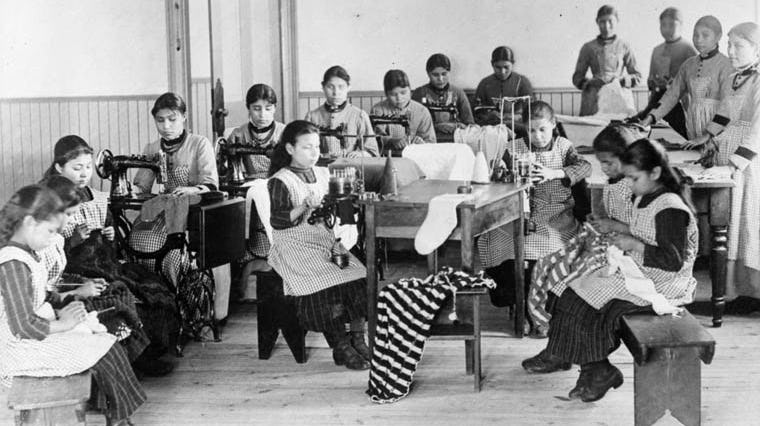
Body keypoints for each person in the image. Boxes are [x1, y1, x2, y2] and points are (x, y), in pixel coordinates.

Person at [523, 139, 698, 403]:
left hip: (662, 284)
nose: (628, 184)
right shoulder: (648, 195)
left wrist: (633, 244)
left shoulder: (670, 207)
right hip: (641, 270)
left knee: (585, 297)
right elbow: (645, 229)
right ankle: (591, 367)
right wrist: (617, 227)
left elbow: (672, 261)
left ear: (655, 173)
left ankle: (597, 370)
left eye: (633, 178)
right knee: (567, 287)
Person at [0, 185, 145, 425]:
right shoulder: (12, 264)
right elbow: (23, 326)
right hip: (18, 349)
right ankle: (119, 418)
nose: (51, 239)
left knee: (105, 341)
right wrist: (64, 323)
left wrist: (67, 306)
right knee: (103, 347)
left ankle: (118, 416)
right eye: (49, 231)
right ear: (29, 222)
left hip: (34, 334)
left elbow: (41, 293)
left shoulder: (27, 254)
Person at [44, 135, 177, 376]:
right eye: (77, 168)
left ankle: (150, 352)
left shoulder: (93, 195)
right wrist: (74, 240)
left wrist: (109, 233)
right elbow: (48, 255)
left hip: (102, 262)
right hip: (73, 269)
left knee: (152, 285)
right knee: (119, 291)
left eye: (87, 167)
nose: (84, 174)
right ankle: (137, 360)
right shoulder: (50, 200)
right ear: (58, 168)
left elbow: (109, 243)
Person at [267, 120, 370, 370]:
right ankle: (341, 346)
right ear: (290, 149)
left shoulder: (324, 174)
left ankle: (358, 338)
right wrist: (304, 206)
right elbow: (278, 221)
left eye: (317, 147)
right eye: (307, 148)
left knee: (358, 274)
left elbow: (340, 212)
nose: (314, 153)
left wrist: (350, 199)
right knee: (325, 282)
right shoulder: (280, 180)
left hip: (323, 242)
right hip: (294, 247)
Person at [478, 101, 591, 317]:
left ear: (553, 124)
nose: (537, 136)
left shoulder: (564, 147)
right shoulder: (513, 148)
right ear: (524, 127)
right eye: (531, 130)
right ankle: (516, 298)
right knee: (493, 239)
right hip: (518, 213)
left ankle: (539, 303)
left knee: (537, 244)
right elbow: (498, 182)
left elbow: (585, 167)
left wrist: (555, 173)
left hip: (555, 215)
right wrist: (502, 174)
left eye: (542, 130)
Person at [528, 125, 636, 336]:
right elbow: (609, 216)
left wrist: (611, 226)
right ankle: (545, 322)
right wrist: (598, 221)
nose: (604, 168)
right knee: (546, 263)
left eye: (608, 163)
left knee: (570, 273)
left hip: (627, 251)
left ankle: (562, 328)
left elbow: (643, 229)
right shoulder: (612, 182)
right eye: (601, 162)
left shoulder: (635, 186)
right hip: (607, 241)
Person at [40, 175, 150, 362]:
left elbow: (57, 279)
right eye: (68, 215)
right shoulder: (41, 245)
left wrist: (84, 283)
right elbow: (43, 294)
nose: (71, 220)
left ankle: (135, 360)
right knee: (113, 303)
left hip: (61, 290)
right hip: (52, 305)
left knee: (116, 290)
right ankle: (127, 360)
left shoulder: (56, 239)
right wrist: (80, 290)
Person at [695, 22, 760, 301]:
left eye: (738, 46)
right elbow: (724, 116)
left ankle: (751, 290)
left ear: (757, 50)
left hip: (747, 165)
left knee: (745, 219)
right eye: (729, 45)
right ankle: (731, 289)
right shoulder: (736, 78)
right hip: (727, 158)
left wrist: (733, 164)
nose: (730, 51)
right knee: (726, 219)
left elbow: (758, 130)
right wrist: (707, 139)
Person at [130, 92, 219, 287]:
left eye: (172, 119)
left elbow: (211, 184)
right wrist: (130, 189)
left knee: (170, 251)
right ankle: (155, 291)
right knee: (137, 239)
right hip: (165, 208)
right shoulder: (152, 148)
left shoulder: (199, 144)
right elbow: (142, 185)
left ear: (184, 118)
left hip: (193, 212)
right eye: (160, 121)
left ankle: (178, 290)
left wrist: (192, 190)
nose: (166, 126)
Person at [638, 16, 733, 141]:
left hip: (718, 130)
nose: (699, 40)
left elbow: (728, 105)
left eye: (705, 35)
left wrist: (709, 134)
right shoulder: (688, 65)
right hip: (692, 126)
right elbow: (671, 95)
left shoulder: (726, 65)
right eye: (695, 35)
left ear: (718, 36)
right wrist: (650, 117)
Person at [572, 5, 642, 116]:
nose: (606, 26)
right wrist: (590, 83)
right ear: (597, 22)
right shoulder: (588, 47)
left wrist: (621, 81)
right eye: (602, 22)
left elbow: (638, 77)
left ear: (617, 21)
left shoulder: (624, 46)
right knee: (595, 130)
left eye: (610, 21)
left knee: (619, 129)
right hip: (594, 100)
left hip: (619, 96)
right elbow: (577, 77)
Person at [642, 7, 697, 138]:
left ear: (681, 25)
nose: (667, 29)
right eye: (663, 25)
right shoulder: (657, 50)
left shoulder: (688, 49)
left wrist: (678, 82)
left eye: (672, 24)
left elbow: (698, 79)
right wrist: (653, 82)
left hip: (681, 103)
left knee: (681, 135)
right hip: (659, 101)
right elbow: (650, 81)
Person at [305, 66, 379, 158]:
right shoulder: (312, 116)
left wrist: (361, 154)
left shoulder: (359, 115)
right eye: (330, 87)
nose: (336, 92)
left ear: (348, 87)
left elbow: (372, 150)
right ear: (323, 87)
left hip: (351, 168)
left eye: (341, 87)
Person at [225, 83, 286, 181]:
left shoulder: (284, 132)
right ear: (248, 108)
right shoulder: (239, 134)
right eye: (256, 109)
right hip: (250, 185)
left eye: (268, 108)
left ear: (275, 108)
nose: (262, 114)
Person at [412, 53, 475, 141]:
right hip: (428, 139)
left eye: (444, 74)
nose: (440, 79)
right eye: (435, 75)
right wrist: (436, 126)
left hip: (455, 139)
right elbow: (414, 125)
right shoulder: (419, 94)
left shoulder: (458, 93)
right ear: (428, 73)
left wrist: (461, 126)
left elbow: (470, 123)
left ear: (449, 72)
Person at [371, 69, 436, 154]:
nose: (399, 98)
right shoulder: (378, 110)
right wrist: (391, 141)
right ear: (386, 94)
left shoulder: (422, 111)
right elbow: (374, 138)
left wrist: (422, 143)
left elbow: (431, 142)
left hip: (416, 156)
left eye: (403, 92)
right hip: (387, 156)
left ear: (410, 90)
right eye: (393, 94)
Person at [474, 46, 534, 134]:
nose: (502, 71)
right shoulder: (485, 83)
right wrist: (488, 115)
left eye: (506, 67)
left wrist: (512, 116)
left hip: (517, 127)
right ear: (492, 64)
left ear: (513, 64)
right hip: (492, 128)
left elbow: (531, 111)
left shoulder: (522, 82)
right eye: (498, 67)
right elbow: (477, 110)